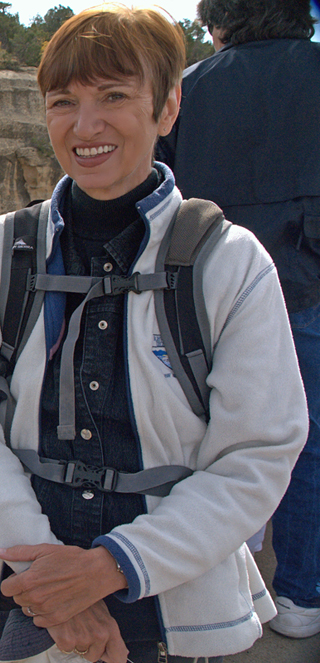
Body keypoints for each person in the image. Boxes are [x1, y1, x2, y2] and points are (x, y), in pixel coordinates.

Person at [0, 5, 308, 662]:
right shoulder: (4, 250)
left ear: (166, 110)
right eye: (64, 101)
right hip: (32, 586)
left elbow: (258, 452)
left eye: (114, 97)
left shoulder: (229, 262)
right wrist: (56, 584)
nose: (86, 124)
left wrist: (108, 567)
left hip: (175, 603)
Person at [157, 0, 320, 639]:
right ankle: (303, 597)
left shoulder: (189, 91)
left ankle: (232, 573)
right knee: (306, 442)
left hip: (206, 292)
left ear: (222, 22)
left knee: (212, 435)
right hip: (307, 285)